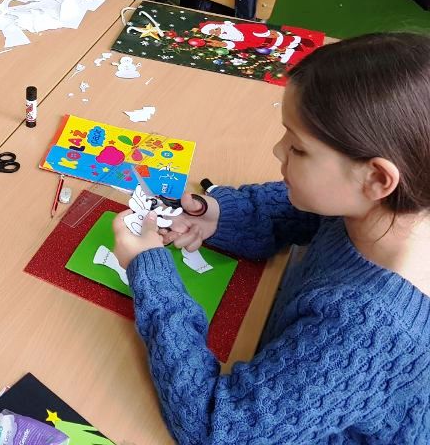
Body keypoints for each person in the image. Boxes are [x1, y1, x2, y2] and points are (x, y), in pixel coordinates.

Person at [112, 32, 430, 444]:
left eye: (298, 148)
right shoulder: (398, 206)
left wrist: (150, 276)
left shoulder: (369, 329)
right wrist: (221, 215)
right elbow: (307, 211)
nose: (278, 152)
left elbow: (214, 428)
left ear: (377, 178)